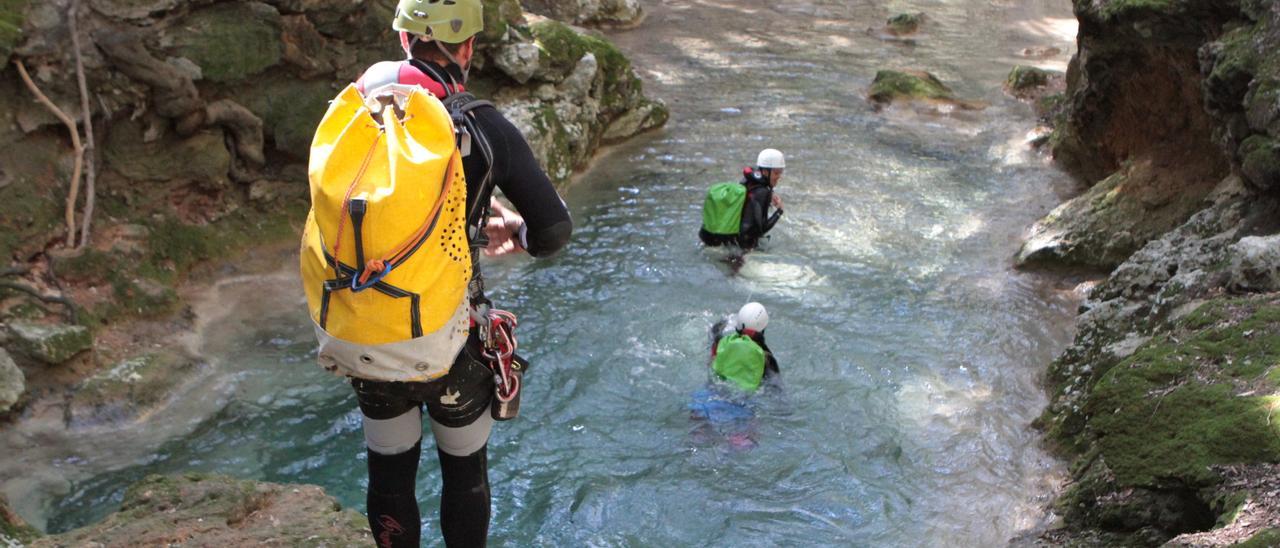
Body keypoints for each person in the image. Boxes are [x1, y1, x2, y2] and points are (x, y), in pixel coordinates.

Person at [344, 1, 572, 546]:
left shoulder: (355, 106)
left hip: (369, 325)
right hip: (449, 334)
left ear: (403, 41)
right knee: (465, 473)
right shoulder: (479, 123)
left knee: (390, 470)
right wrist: (513, 234)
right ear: (466, 48)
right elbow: (554, 229)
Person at [698, 149, 786, 251]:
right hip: (741, 246)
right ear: (766, 172)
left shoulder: (747, 180)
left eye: (781, 172)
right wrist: (779, 211)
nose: (779, 176)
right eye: (776, 173)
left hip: (723, 239)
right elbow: (761, 229)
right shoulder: (763, 192)